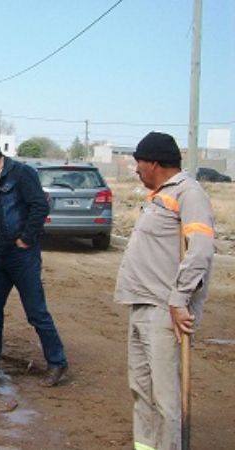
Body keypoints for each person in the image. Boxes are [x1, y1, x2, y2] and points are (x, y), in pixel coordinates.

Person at [115, 131, 215, 449]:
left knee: (164, 398)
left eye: (138, 163)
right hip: (141, 304)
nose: (136, 170)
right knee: (141, 391)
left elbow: (201, 250)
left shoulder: (189, 193)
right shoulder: (160, 194)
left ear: (154, 163)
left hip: (164, 310)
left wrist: (179, 299)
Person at [0, 139, 69, 387]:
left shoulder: (21, 173)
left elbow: (39, 205)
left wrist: (26, 238)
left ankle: (57, 363)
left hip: (21, 254)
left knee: (36, 311)